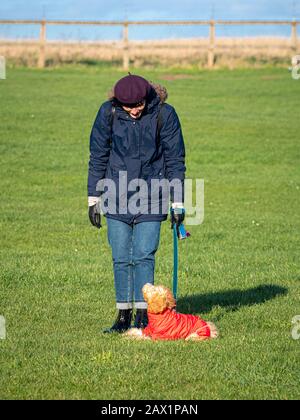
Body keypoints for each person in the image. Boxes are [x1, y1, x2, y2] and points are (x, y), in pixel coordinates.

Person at [87, 74, 186, 333]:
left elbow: (175, 160)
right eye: (127, 106)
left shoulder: (165, 115)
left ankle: (144, 317)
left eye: (138, 105)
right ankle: (122, 317)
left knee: (144, 254)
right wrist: (93, 198)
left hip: (153, 194)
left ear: (146, 97)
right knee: (121, 257)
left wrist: (178, 203)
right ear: (118, 102)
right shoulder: (107, 113)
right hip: (116, 192)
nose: (133, 110)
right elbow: (98, 155)